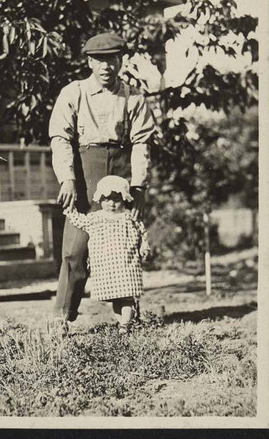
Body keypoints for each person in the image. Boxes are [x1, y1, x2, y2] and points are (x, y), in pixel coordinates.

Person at [49, 32, 155, 327]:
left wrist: (139, 187)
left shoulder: (133, 97)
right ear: (89, 62)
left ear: (121, 60)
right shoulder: (74, 92)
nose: (106, 66)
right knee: (75, 249)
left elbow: (142, 144)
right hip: (84, 172)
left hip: (120, 175)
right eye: (99, 60)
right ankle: (63, 318)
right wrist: (66, 179)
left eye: (112, 59)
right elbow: (60, 138)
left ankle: (127, 319)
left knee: (123, 246)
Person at [63, 176, 150, 333]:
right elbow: (79, 221)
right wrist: (70, 209)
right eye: (107, 199)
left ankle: (126, 324)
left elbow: (142, 231)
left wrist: (144, 245)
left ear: (124, 199)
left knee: (128, 296)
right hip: (107, 266)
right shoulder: (96, 218)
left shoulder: (129, 216)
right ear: (100, 200)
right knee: (116, 297)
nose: (111, 204)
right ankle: (122, 323)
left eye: (116, 199)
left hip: (127, 264)